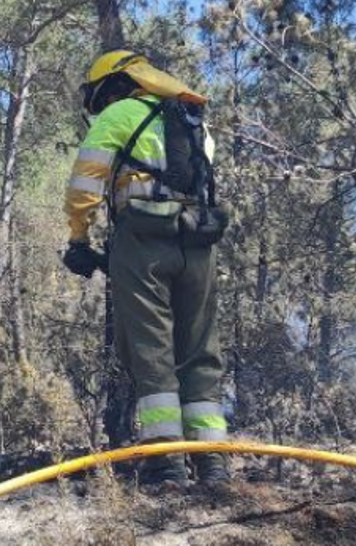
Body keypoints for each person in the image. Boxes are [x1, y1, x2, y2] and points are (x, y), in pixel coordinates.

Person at [63, 50, 232, 489]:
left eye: (101, 97)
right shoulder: (194, 121)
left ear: (116, 86)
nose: (101, 107)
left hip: (143, 242)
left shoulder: (119, 114)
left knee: (150, 348)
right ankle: (213, 463)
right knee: (199, 349)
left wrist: (79, 239)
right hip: (198, 242)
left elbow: (86, 183)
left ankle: (167, 464)